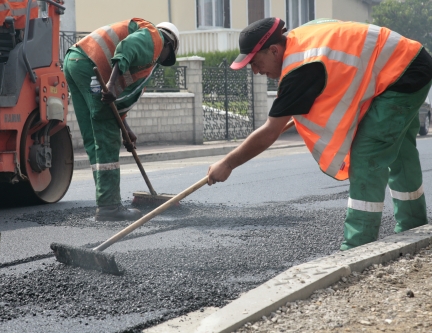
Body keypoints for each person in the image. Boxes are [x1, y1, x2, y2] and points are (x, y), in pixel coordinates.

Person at [207, 17, 432, 250]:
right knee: (400, 149)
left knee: (367, 154)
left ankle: (357, 246)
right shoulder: (301, 42)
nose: (255, 71)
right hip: (410, 60)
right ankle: (414, 226)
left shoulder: (300, 67)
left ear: (274, 50)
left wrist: (228, 163)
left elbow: (270, 131)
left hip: (402, 74)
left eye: (255, 62)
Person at [63, 19, 180, 221]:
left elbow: (117, 103)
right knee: (107, 136)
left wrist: (126, 131)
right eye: (167, 56)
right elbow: (126, 48)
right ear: (169, 45)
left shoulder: (145, 66)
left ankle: (104, 201)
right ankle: (109, 207)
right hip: (92, 65)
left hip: (75, 62)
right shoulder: (155, 37)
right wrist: (109, 83)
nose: (162, 61)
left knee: (95, 137)